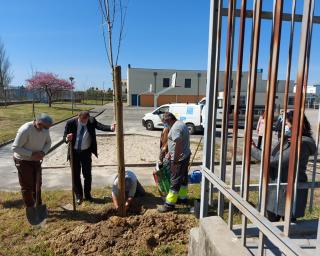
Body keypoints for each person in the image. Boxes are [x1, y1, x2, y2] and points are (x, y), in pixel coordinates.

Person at [251, 110, 316, 222]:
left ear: (297, 125)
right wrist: (257, 149)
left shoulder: (302, 144)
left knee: (287, 227)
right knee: (270, 223)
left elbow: (276, 161)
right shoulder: (288, 139)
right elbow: (272, 155)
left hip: (287, 190)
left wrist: (253, 151)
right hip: (277, 187)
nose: (284, 126)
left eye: (286, 123)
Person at [64, 111, 115, 204]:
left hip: (86, 152)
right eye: (82, 121)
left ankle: (87, 194)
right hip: (74, 153)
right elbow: (64, 138)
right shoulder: (70, 123)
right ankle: (79, 196)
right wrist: (67, 138)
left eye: (86, 120)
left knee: (87, 175)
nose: (85, 122)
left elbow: (100, 126)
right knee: (75, 175)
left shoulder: (91, 120)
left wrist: (111, 128)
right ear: (78, 117)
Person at [12, 113, 53, 207]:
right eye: (44, 127)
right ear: (38, 123)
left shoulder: (45, 129)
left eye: (47, 128)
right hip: (23, 161)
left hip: (36, 160)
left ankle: (38, 204)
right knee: (27, 185)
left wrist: (43, 152)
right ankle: (30, 206)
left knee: (38, 183)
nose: (45, 130)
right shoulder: (25, 130)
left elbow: (48, 142)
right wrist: (32, 154)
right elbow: (15, 148)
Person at [158, 112, 191, 212]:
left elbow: (178, 145)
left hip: (179, 159)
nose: (165, 124)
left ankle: (169, 204)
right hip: (185, 156)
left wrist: (175, 160)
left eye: (165, 122)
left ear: (168, 120)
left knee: (175, 180)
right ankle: (182, 198)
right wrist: (170, 153)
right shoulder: (180, 124)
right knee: (183, 178)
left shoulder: (176, 128)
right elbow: (176, 143)